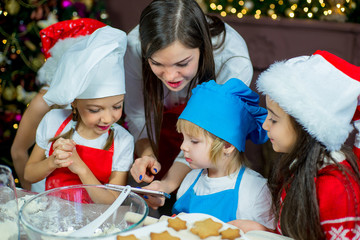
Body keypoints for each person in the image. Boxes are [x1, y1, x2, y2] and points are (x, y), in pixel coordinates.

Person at [125, 0, 253, 193]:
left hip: (209, 151)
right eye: (157, 63)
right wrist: (147, 155)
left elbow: (205, 134)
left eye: (182, 63)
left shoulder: (233, 63)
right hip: (160, 136)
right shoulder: (134, 45)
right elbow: (137, 114)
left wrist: (168, 183)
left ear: (203, 47)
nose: (170, 76)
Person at [246, 50, 360, 239]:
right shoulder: (297, 168)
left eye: (273, 119)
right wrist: (261, 230)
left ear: (305, 127)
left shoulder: (335, 188)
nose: (265, 124)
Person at [24, 25, 134, 202]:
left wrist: (81, 168)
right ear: (75, 103)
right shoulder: (53, 121)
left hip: (95, 223)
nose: (107, 118)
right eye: (95, 110)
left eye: (117, 106)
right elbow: (29, 175)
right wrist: (53, 162)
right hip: (52, 217)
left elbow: (113, 201)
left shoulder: (123, 141)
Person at [11, 18, 106, 192]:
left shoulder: (106, 97)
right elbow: (18, 151)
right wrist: (31, 193)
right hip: (50, 192)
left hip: (91, 190)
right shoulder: (45, 101)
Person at [169, 78, 274, 229]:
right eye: (183, 138)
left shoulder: (255, 191)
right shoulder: (191, 180)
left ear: (227, 145)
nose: (183, 146)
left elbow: (268, 236)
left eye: (194, 141)